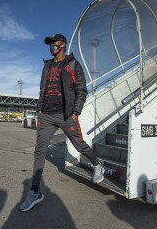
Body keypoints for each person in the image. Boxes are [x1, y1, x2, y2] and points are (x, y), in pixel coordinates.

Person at [20, 34, 104, 212]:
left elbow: (81, 89)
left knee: (80, 146)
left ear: (63, 45)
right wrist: (39, 110)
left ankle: (97, 165)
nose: (52, 47)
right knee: (39, 151)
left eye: (54, 44)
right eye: (50, 44)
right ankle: (35, 192)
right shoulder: (47, 65)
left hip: (66, 115)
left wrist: (75, 113)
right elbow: (42, 89)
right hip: (46, 116)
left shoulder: (72, 63)